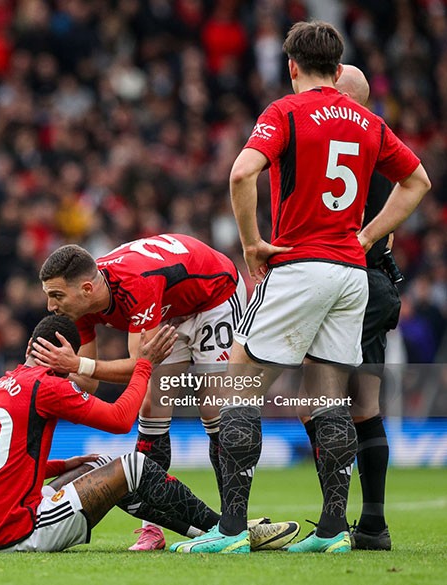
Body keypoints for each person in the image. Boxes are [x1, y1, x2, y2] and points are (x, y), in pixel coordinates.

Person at [171, 21, 430, 554]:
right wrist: (366, 237)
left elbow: (241, 174)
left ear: (292, 66)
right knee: (327, 398)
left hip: (298, 265)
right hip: (351, 277)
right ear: (337, 67)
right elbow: (418, 181)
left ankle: (231, 529)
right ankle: (333, 531)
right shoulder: (369, 121)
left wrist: (251, 243)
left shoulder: (285, 112)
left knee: (238, 386)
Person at [0, 315, 298, 552]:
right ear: (67, 354)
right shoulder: (46, 386)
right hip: (22, 531)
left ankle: (213, 531)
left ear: (29, 345)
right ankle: (227, 530)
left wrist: (62, 466)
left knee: (100, 464)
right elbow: (120, 420)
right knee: (134, 465)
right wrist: (144, 365)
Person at [36, 234, 247, 550]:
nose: (50, 306)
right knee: (151, 406)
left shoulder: (135, 283)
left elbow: (139, 366)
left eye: (56, 296)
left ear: (87, 289)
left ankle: (232, 525)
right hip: (169, 308)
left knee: (212, 407)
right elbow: (88, 381)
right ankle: (152, 529)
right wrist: (41, 383)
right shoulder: (79, 307)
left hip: (215, 294)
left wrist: (77, 363)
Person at [300, 65, 400, 551]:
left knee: (315, 402)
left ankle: (332, 523)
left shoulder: (332, 141)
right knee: (365, 407)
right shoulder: (381, 144)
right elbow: (412, 186)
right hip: (378, 283)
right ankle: (373, 526)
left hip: (341, 282)